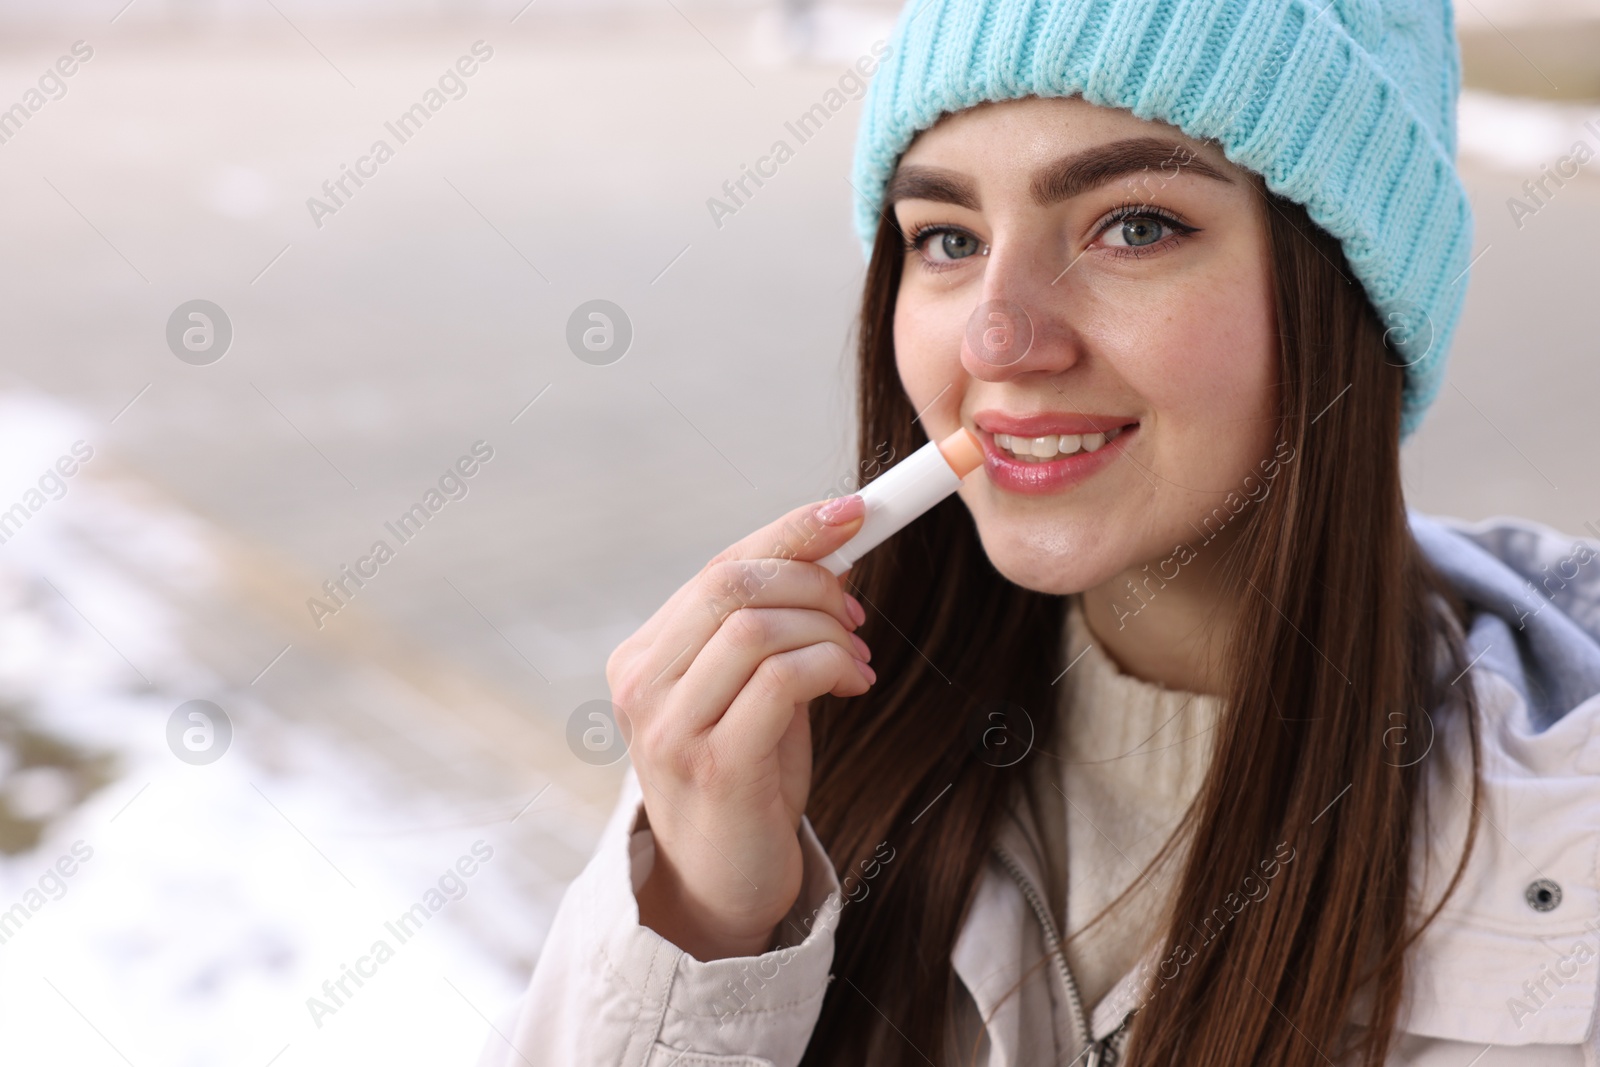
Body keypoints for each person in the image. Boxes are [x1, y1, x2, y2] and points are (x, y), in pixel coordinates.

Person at [481, 0, 1600, 1063]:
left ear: (1354, 286)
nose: (998, 338)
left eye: (1134, 225)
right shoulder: (781, 752)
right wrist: (699, 922)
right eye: (947, 238)